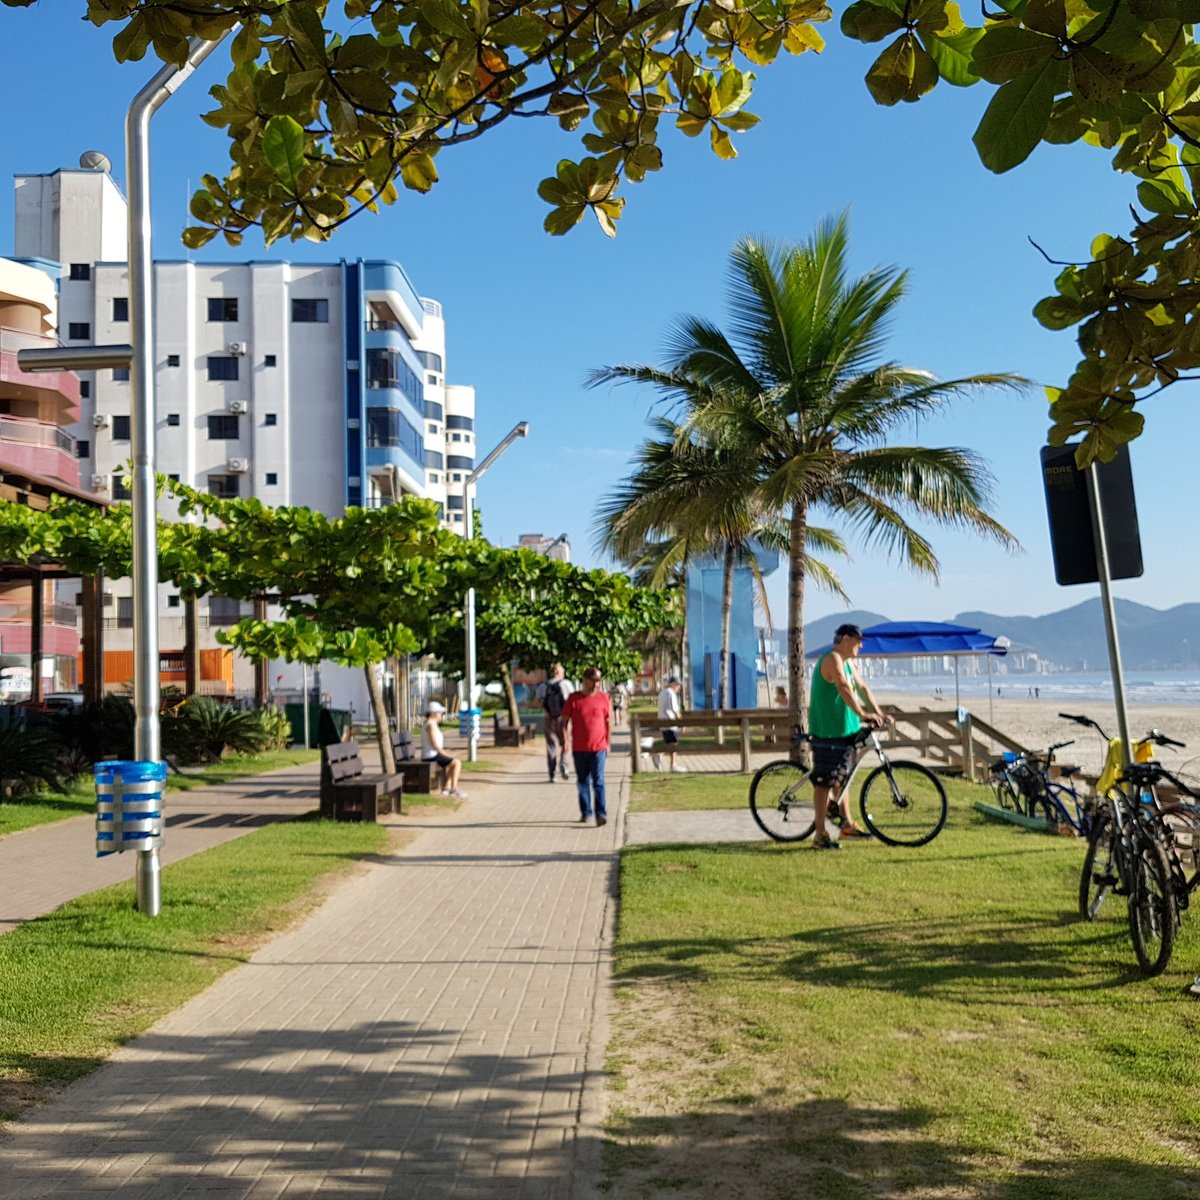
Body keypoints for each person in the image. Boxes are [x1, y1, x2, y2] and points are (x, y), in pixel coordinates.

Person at [809, 624, 889, 850]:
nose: (861, 645)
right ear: (845, 639)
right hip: (828, 730)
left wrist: (879, 714)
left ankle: (847, 825)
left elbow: (862, 688)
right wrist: (863, 713)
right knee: (825, 782)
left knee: (841, 779)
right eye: (857, 641)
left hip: (846, 729)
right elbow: (843, 687)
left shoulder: (848, 663)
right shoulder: (832, 658)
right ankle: (820, 834)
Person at [561, 666, 612, 825]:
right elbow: (564, 723)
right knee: (583, 781)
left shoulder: (604, 698)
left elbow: (608, 723)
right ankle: (586, 812)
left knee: (598, 781)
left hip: (599, 748)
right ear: (585, 680)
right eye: (594, 680)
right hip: (580, 748)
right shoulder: (574, 699)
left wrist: (608, 743)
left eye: (599, 681)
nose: (597, 684)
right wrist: (566, 742)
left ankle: (601, 814)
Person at [420, 700, 467, 798]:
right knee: (457, 763)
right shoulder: (430, 725)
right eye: (440, 713)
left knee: (452, 763)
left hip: (433, 754)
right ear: (433, 713)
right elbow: (434, 744)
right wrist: (444, 754)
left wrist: (444, 754)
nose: (441, 715)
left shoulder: (432, 724)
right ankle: (453, 789)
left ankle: (447, 788)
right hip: (431, 755)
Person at [537, 664, 574, 783]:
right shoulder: (566, 684)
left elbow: (539, 702)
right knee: (567, 742)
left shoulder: (543, 686)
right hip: (564, 719)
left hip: (548, 719)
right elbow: (572, 701)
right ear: (559, 673)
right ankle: (564, 764)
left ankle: (552, 774)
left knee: (551, 746)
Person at [655, 676, 686, 773]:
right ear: (673, 684)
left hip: (663, 722)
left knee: (669, 743)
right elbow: (675, 710)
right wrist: (681, 723)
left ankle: (659, 756)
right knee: (673, 744)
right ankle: (673, 765)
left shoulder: (662, 692)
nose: (679, 688)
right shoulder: (670, 693)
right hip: (670, 722)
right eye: (678, 686)